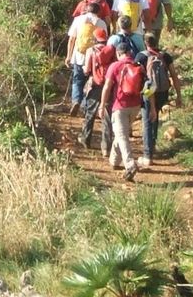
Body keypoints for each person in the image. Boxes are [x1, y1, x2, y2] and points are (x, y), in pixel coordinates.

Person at [100, 44, 147, 182]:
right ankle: (114, 160)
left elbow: (107, 87)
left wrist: (102, 105)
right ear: (130, 52)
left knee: (122, 135)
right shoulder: (138, 65)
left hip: (119, 106)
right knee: (121, 133)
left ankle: (129, 164)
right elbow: (146, 86)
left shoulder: (114, 66)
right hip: (136, 105)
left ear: (118, 53)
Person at [139, 31, 183, 167]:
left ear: (145, 43)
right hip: (162, 91)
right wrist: (178, 96)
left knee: (147, 119)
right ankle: (152, 146)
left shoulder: (141, 56)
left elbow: (138, 76)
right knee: (155, 116)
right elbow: (174, 76)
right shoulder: (165, 56)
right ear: (157, 42)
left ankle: (147, 155)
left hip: (148, 90)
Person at [78, 29, 118, 152]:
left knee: (90, 113)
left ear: (95, 38)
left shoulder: (91, 50)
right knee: (107, 115)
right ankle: (106, 146)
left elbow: (86, 70)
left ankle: (85, 139)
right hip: (109, 85)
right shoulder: (111, 50)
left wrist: (85, 69)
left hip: (95, 84)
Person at [66, 0, 109, 115]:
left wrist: (68, 56)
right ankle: (85, 106)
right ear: (98, 12)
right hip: (94, 58)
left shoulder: (78, 20)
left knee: (77, 81)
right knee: (90, 83)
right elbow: (104, 41)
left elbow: (71, 39)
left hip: (78, 55)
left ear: (86, 10)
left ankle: (76, 101)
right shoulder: (101, 23)